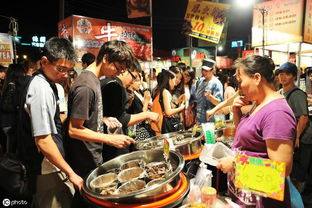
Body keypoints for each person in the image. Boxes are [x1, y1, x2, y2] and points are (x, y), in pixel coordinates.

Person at [217, 55, 296, 207]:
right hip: (247, 195)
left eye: (240, 82)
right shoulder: (258, 103)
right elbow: (246, 137)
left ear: (257, 78)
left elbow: (282, 169)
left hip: (263, 201)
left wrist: (234, 164)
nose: (238, 88)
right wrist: (236, 111)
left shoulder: (276, 112)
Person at [66, 40, 136, 206]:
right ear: (105, 58)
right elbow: (73, 129)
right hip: (83, 161)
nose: (119, 73)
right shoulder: (86, 85)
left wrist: (102, 119)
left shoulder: (95, 80)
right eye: (118, 68)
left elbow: (84, 118)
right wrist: (110, 139)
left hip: (92, 156)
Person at [20, 37, 83, 207]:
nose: (65, 75)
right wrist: (70, 173)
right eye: (61, 69)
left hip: (50, 165)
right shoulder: (41, 89)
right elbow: (43, 141)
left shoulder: (48, 84)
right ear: (44, 61)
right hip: (44, 168)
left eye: (69, 70)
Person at [100, 59, 159, 161]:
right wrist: (147, 115)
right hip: (109, 144)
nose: (133, 81)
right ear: (125, 71)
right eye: (134, 77)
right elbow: (121, 119)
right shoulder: (115, 86)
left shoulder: (108, 83)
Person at [278, 62, 312, 193]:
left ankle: (299, 197)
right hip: (291, 135)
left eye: (287, 74)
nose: (283, 77)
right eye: (281, 74)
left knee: (300, 167)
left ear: (294, 77)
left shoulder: (297, 94)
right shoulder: (280, 92)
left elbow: (304, 117)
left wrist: (297, 136)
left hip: (303, 136)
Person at [151, 69, 185, 135]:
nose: (175, 83)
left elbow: (165, 108)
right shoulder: (165, 92)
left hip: (157, 123)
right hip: (162, 125)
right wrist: (181, 108)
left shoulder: (159, 90)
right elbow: (168, 112)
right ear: (169, 80)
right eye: (174, 80)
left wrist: (177, 101)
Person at [193, 59, 223, 123]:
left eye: (206, 70)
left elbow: (219, 103)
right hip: (199, 118)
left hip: (211, 119)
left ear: (213, 70)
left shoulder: (216, 83)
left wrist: (210, 97)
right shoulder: (199, 81)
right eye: (202, 70)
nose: (203, 72)